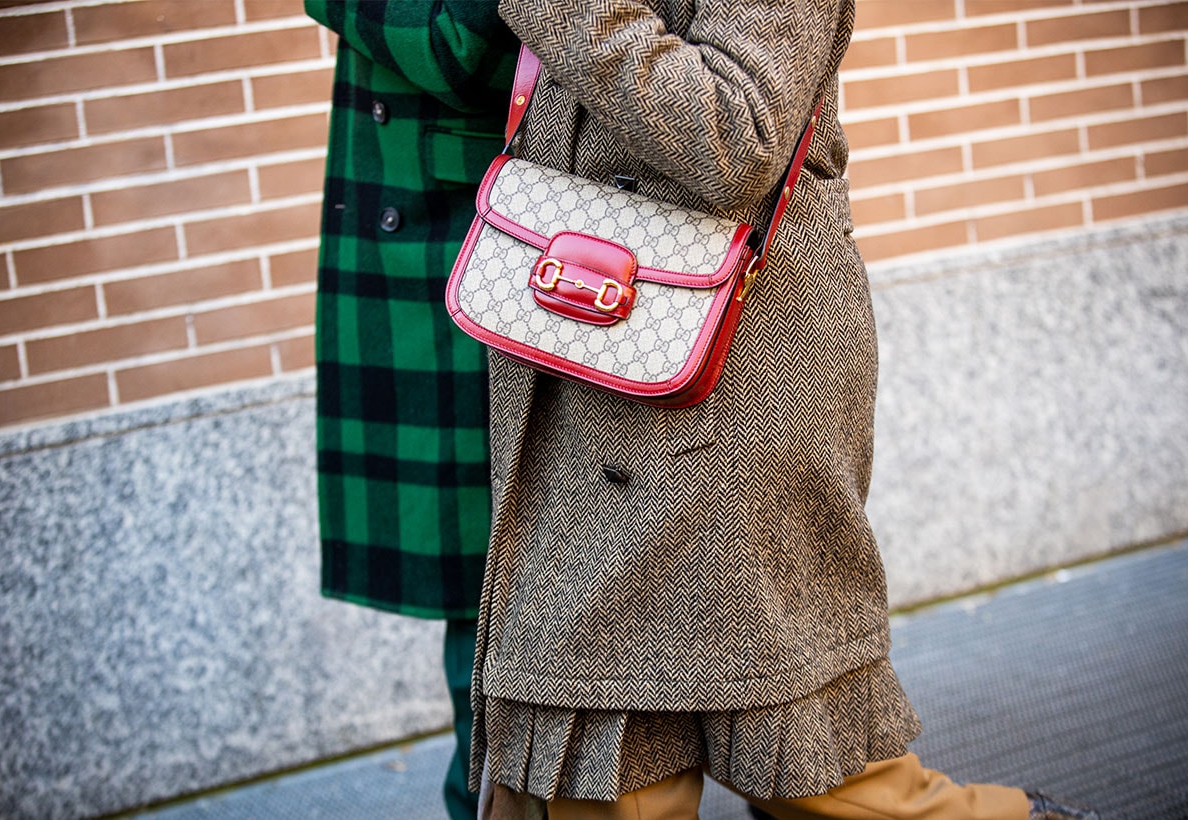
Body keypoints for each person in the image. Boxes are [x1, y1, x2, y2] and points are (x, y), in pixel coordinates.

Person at [466, 1, 1101, 819]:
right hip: (587, 339)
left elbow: (737, 132)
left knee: (798, 741)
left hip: (739, 366)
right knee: (596, 737)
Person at [302, 3, 516, 818]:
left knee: (502, 600)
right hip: (438, 248)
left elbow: (455, 42)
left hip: (484, 249)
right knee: (482, 603)